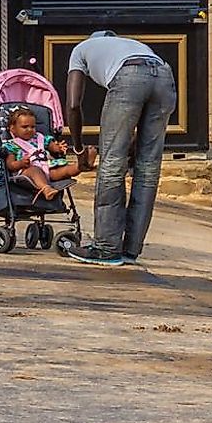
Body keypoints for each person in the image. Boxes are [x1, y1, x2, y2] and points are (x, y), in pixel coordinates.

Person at [56, 30, 179, 268]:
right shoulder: (131, 44)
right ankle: (131, 248)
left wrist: (79, 149)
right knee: (148, 169)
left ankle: (106, 248)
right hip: (164, 75)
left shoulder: (80, 50)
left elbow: (72, 105)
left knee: (111, 165)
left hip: (129, 75)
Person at [2, 104, 84, 205]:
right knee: (34, 171)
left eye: (33, 127)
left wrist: (58, 148)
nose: (30, 129)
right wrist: (20, 163)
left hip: (48, 167)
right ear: (12, 128)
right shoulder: (12, 145)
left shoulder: (40, 138)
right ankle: (46, 189)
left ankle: (81, 166)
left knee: (64, 170)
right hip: (26, 173)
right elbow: (10, 164)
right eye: (25, 127)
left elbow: (51, 146)